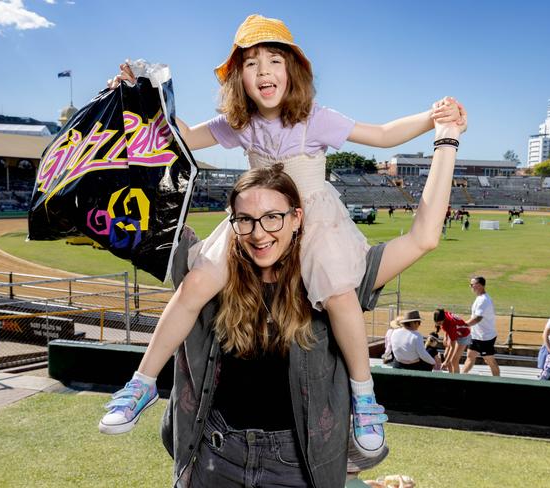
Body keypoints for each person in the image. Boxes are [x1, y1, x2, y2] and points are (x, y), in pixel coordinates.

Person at [101, 13, 465, 459]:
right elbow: (180, 138)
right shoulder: (238, 122)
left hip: (312, 219)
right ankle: (140, 384)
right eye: (251, 64)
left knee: (338, 295)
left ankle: (364, 397)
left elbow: (384, 135)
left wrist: (433, 119)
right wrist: (139, 97)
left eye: (274, 60)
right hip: (256, 218)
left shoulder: (315, 118)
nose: (264, 72)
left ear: (293, 70)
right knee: (196, 284)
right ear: (238, 77)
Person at [159, 134, 464, 486]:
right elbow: (138, 214)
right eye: (247, 219)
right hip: (215, 454)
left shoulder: (335, 278)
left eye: (273, 217)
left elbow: (423, 238)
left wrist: (446, 141)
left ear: (297, 217)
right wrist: (134, 102)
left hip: (296, 464)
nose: (260, 234)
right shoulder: (208, 272)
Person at [462, 277, 500, 376]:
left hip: (485, 337)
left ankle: (498, 382)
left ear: (479, 285)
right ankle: (461, 377)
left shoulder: (484, 300)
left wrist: (464, 325)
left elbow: (478, 318)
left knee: (490, 361)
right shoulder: (479, 298)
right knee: (470, 356)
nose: (470, 286)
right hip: (476, 335)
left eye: (472, 284)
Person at [433, 308, 471, 373]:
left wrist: (446, 362)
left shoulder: (450, 325)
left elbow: (452, 347)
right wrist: (446, 336)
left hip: (464, 335)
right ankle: (451, 375)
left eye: (439, 323)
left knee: (454, 360)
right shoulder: (443, 314)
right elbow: (447, 328)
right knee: (446, 355)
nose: (438, 324)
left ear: (443, 319)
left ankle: (456, 379)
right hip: (455, 332)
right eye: (437, 322)